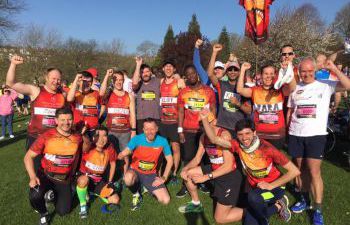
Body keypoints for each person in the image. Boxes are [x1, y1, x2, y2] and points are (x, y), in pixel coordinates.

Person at [202, 117, 300, 225]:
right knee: (249, 205)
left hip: (276, 188)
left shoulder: (267, 148)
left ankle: (272, 211)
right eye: (240, 134)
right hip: (256, 188)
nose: (244, 138)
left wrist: (271, 185)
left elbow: (295, 171)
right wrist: (204, 119)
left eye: (247, 133)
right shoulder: (237, 145)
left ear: (254, 132)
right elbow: (214, 139)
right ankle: (277, 206)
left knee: (253, 199)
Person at [287, 57, 350, 225]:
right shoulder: (295, 87)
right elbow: (291, 110)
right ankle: (304, 199)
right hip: (296, 133)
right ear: (299, 72)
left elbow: (348, 86)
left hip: (316, 135)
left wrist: (335, 70)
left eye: (309, 71)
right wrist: (288, 130)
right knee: (300, 170)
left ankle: (318, 209)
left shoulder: (326, 84)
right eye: (303, 71)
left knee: (314, 172)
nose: (306, 74)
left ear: (314, 71)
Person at [23, 107, 89, 225]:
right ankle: (44, 213)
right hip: (46, 176)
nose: (66, 123)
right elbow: (28, 157)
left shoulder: (77, 137)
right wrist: (33, 177)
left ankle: (58, 193)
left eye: (69, 119)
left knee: (63, 212)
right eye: (62, 120)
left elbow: (85, 150)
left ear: (73, 120)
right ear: (56, 121)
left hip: (64, 180)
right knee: (35, 196)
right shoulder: (47, 135)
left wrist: (84, 135)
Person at [178, 112, 243, 224]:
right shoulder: (203, 137)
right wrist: (185, 169)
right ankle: (196, 204)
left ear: (215, 121)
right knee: (188, 173)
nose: (203, 127)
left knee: (220, 219)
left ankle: (256, 211)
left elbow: (228, 166)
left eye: (206, 123)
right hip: (214, 168)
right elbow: (197, 159)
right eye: (201, 124)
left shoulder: (224, 135)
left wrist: (206, 177)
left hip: (229, 176)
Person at [6, 55, 66, 169]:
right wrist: (13, 64)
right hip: (36, 138)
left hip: (54, 139)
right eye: (53, 78)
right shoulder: (36, 91)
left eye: (58, 79)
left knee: (53, 170)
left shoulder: (62, 95)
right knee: (36, 170)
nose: (56, 81)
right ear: (46, 78)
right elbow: (11, 83)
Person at [176, 64, 216, 197]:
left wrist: (211, 127)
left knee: (204, 158)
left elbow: (213, 110)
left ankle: (203, 182)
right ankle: (186, 185)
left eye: (193, 73)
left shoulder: (208, 91)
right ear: (185, 78)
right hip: (188, 130)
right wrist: (180, 131)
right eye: (188, 75)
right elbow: (181, 112)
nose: (191, 76)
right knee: (188, 158)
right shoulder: (183, 92)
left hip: (204, 130)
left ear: (197, 74)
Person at [117, 118, 173, 210]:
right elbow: (127, 150)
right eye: (146, 129)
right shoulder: (137, 139)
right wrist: (122, 154)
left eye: (152, 129)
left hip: (150, 175)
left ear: (156, 129)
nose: (149, 132)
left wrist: (164, 177)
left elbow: (170, 160)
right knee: (127, 178)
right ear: (143, 130)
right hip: (135, 171)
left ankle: (145, 186)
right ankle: (136, 194)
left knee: (165, 200)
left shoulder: (163, 141)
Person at [237, 62, 296, 149]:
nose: (268, 76)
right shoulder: (255, 90)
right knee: (261, 161)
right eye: (266, 73)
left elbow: (293, 88)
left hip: (277, 135)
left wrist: (288, 70)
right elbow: (239, 90)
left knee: (275, 161)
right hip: (260, 135)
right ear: (261, 75)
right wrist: (242, 70)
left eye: (271, 74)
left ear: (275, 75)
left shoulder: (280, 89)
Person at [207, 43, 251, 135]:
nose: (232, 72)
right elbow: (210, 74)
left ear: (239, 72)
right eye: (230, 70)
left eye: (235, 70)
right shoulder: (221, 85)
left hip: (239, 129)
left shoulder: (244, 89)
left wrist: (238, 104)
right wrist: (214, 52)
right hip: (223, 127)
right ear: (226, 72)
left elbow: (249, 111)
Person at [76, 126, 120, 219]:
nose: (101, 139)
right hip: (84, 177)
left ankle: (94, 192)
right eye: (98, 135)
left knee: (115, 200)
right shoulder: (88, 146)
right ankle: (83, 205)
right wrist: (83, 134)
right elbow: (85, 143)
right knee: (84, 180)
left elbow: (113, 164)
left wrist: (110, 182)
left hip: (98, 181)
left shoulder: (109, 147)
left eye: (104, 136)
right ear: (93, 137)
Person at [100, 69, 136, 172]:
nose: (119, 82)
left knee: (125, 155)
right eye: (116, 79)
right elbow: (101, 92)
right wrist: (107, 75)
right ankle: (113, 174)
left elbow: (132, 114)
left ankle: (124, 175)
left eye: (121, 80)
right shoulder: (108, 94)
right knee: (111, 155)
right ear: (112, 81)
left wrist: (133, 130)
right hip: (111, 131)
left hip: (126, 131)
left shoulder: (129, 95)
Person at [159, 60, 185, 182]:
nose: (168, 68)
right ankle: (161, 170)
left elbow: (185, 97)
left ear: (174, 69)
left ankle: (174, 172)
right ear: (163, 69)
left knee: (175, 147)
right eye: (166, 66)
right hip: (163, 121)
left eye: (171, 66)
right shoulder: (160, 82)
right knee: (162, 148)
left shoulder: (179, 82)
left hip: (175, 121)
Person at [67, 71, 103, 139]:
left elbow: (103, 105)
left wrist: (98, 117)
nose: (86, 84)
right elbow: (69, 99)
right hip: (77, 129)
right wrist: (76, 79)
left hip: (93, 130)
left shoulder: (96, 94)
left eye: (89, 81)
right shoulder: (75, 93)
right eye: (84, 81)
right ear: (79, 82)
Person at [132, 57, 161, 133]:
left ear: (151, 72)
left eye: (147, 71)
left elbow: (168, 80)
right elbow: (134, 83)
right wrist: (138, 65)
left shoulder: (157, 81)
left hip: (156, 118)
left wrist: (177, 77)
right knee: (142, 144)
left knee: (155, 144)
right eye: (143, 72)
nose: (145, 74)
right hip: (141, 119)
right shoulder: (138, 84)